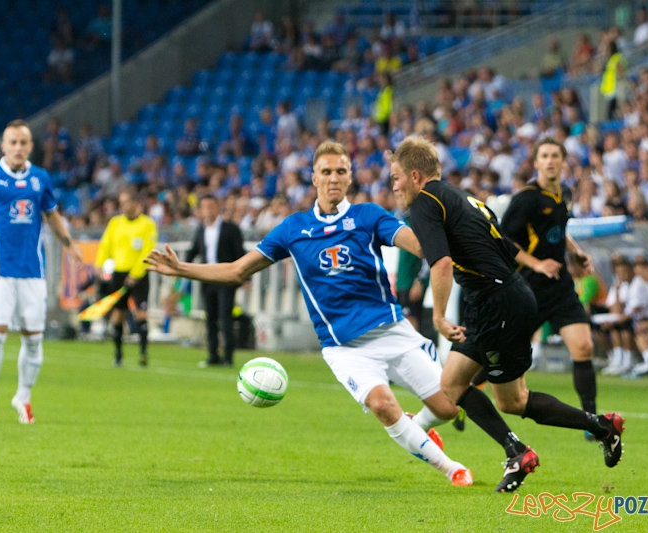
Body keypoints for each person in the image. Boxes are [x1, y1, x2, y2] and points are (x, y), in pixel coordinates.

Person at [146, 141, 474, 487]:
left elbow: (422, 246)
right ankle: (454, 469)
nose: (334, 178)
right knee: (381, 404)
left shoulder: (369, 215)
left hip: (391, 330)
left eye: (341, 172)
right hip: (343, 346)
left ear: (349, 178)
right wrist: (182, 269)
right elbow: (236, 271)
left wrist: (441, 214)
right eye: (326, 172)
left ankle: (417, 427)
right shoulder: (293, 229)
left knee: (448, 407)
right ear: (314, 178)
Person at [389, 136, 625, 492]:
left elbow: (440, 263)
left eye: (396, 177)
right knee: (454, 385)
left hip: (496, 301)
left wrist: (437, 317)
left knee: (510, 400)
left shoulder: (425, 202)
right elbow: (500, 246)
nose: (393, 186)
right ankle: (555, 439)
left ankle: (565, 437)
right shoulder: (464, 199)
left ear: (415, 175)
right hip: (503, 297)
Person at [0, 119, 83, 424]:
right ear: (3, 146)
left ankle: (23, 398)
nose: (17, 147)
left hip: (32, 272)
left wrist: (69, 244)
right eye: (12, 142)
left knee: (33, 340)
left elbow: (51, 216)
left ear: (30, 147)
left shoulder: (40, 178)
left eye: (23, 142)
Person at [499, 139, 600, 439]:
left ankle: (591, 420)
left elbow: (559, 231)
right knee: (502, 354)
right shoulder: (526, 199)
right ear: (536, 163)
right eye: (544, 155)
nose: (551, 160)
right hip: (527, 289)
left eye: (556, 155)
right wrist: (537, 264)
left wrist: (575, 252)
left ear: (563, 160)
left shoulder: (563, 193)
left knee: (584, 346)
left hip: (560, 288)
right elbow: (505, 241)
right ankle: (465, 392)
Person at [94, 187, 158, 367]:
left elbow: (148, 250)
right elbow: (105, 244)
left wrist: (136, 274)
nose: (122, 205)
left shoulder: (148, 224)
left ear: (136, 203)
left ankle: (143, 352)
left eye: (125, 202)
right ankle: (118, 354)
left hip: (139, 274)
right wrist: (99, 264)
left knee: (141, 313)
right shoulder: (115, 222)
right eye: (120, 202)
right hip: (119, 273)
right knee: (118, 314)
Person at [185, 195, 246, 368]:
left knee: (225, 317)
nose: (208, 210)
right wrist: (179, 268)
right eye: (205, 206)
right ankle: (213, 354)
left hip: (226, 278)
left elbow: (240, 253)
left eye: (211, 206)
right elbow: (193, 251)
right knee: (210, 317)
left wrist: (244, 277)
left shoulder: (230, 229)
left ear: (218, 207)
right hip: (207, 279)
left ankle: (228, 356)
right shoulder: (201, 230)